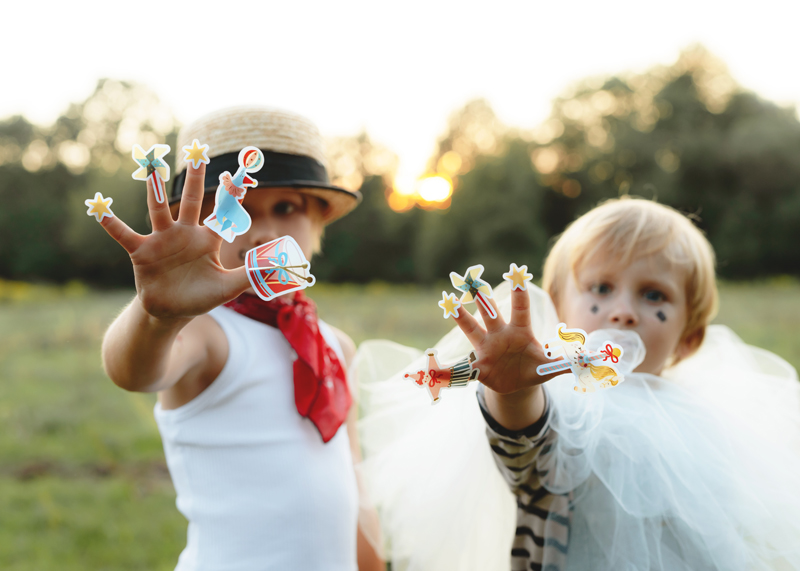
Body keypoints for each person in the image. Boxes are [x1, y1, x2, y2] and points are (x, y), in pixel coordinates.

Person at [354, 197, 800, 570]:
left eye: (653, 295)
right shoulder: (566, 401)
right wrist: (516, 389)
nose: (623, 311)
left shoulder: (702, 421)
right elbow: (527, 450)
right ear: (560, 311)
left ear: (688, 338)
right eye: (601, 288)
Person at [96, 106, 383, 570]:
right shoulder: (207, 333)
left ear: (317, 223)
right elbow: (132, 369)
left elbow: (352, 486)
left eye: (286, 208)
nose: (264, 231)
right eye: (237, 209)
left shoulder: (336, 346)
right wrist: (157, 316)